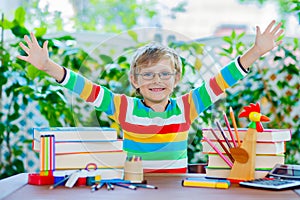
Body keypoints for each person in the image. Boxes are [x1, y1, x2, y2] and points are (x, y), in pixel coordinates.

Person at [18, 20, 283, 173]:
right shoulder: (124, 108)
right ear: (134, 81)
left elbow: (221, 80)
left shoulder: (187, 106)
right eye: (148, 75)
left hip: (177, 189)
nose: (157, 80)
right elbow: (86, 88)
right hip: (135, 186)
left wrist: (256, 51)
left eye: (164, 74)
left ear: (176, 79)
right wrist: (48, 67)